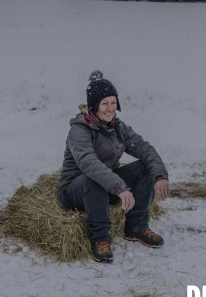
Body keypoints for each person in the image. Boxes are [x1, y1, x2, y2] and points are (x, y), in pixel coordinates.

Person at [58, 70, 170, 263]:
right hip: (76, 189)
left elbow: (144, 148)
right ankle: (100, 238)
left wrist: (160, 176)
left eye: (113, 102)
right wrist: (121, 188)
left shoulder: (118, 127)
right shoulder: (79, 131)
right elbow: (89, 164)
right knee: (92, 179)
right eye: (104, 103)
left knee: (144, 168)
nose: (110, 108)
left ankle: (136, 227)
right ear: (93, 106)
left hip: (105, 186)